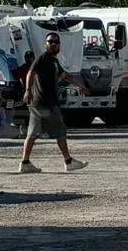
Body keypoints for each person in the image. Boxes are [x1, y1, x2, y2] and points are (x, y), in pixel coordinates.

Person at [19, 33, 87, 173]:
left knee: (31, 134)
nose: (54, 44)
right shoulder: (43, 58)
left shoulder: (54, 61)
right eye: (51, 42)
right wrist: (27, 90)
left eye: (56, 42)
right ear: (46, 44)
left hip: (39, 104)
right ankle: (68, 161)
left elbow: (64, 76)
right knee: (60, 130)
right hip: (45, 103)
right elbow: (30, 73)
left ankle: (25, 163)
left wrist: (80, 86)